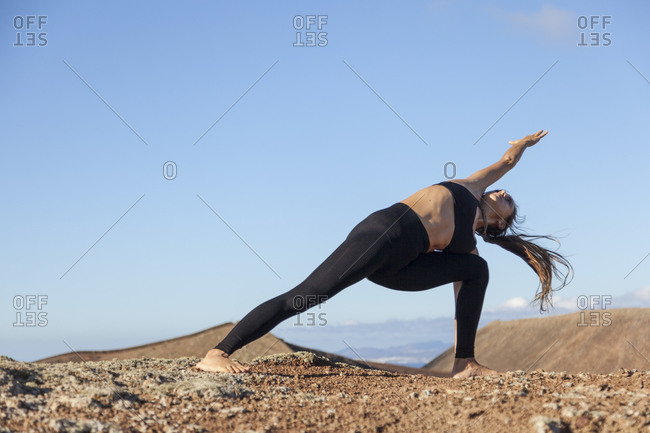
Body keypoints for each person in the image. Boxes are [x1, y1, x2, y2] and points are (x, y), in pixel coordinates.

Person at [196, 130, 572, 378]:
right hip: (383, 236)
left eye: (508, 202)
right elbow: (505, 162)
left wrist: (463, 344)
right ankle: (218, 352)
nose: (503, 192)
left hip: (402, 268)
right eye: (503, 193)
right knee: (307, 295)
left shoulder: (467, 247)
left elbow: (463, 303)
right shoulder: (471, 186)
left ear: (498, 225)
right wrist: (522, 146)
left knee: (477, 270)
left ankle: (465, 364)